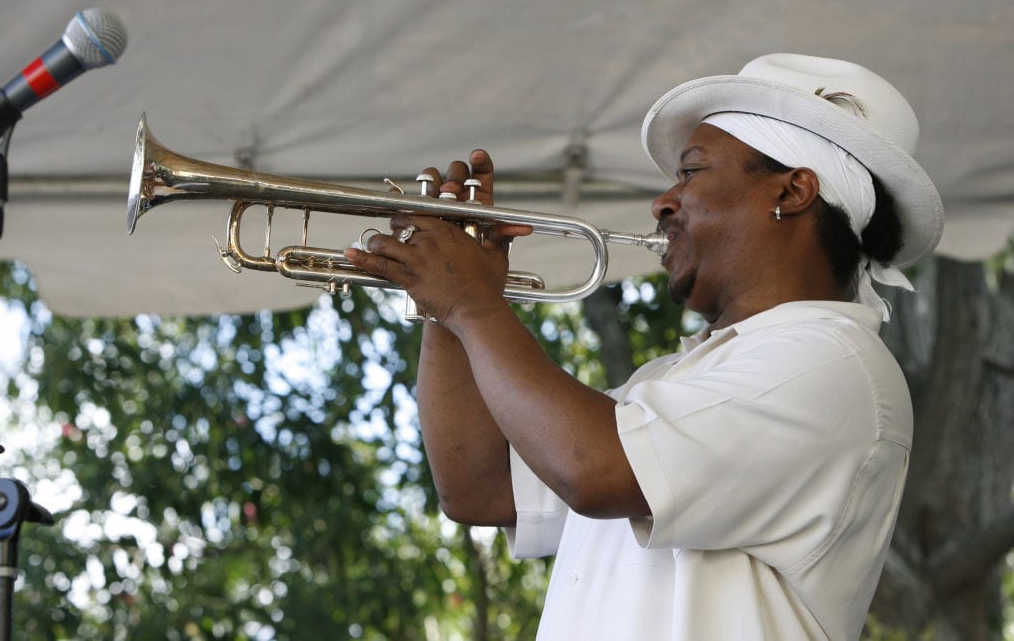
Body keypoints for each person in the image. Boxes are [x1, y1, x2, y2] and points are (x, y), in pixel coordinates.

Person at [343, 54, 945, 640]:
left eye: (691, 172)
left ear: (791, 192)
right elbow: (482, 489)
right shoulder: (678, 376)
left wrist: (471, 302)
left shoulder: (830, 362)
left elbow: (593, 471)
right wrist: (445, 301)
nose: (663, 203)